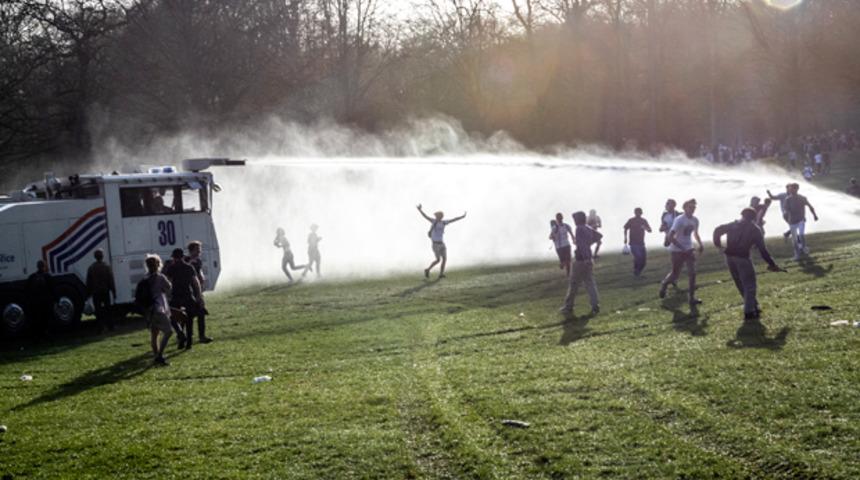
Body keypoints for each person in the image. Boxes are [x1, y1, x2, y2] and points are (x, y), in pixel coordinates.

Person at [713, 208, 785, 321]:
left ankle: (753, 305)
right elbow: (763, 250)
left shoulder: (733, 224)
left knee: (740, 284)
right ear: (754, 218)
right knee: (750, 285)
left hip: (729, 257)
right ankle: (749, 312)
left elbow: (717, 230)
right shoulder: (755, 229)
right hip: (743, 258)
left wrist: (719, 246)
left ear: (741, 214)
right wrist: (772, 264)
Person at [659, 199, 704, 308]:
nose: (692, 209)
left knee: (692, 274)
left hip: (689, 249)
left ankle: (692, 299)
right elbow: (670, 237)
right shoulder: (679, 220)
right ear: (684, 208)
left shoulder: (695, 220)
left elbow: (695, 234)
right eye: (690, 207)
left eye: (694, 208)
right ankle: (665, 283)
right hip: (676, 250)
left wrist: (700, 244)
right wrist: (682, 248)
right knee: (675, 274)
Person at [559, 211, 602, 317]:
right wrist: (589, 245)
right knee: (590, 282)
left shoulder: (579, 229)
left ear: (578, 220)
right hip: (588, 259)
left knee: (574, 283)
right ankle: (595, 305)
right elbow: (599, 236)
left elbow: (581, 245)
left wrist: (585, 253)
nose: (574, 221)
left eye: (575, 219)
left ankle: (568, 306)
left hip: (580, 260)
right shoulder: (587, 228)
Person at [163, 248, 203, 350]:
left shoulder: (171, 268)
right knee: (189, 319)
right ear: (182, 256)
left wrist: (167, 296)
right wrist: (198, 295)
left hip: (176, 296)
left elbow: (168, 283)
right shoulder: (189, 267)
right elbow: (196, 282)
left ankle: (180, 333)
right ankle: (189, 343)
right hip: (188, 295)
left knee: (171, 316)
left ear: (174, 257)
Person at [417, 204, 466, 279]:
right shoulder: (433, 221)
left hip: (442, 243)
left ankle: (441, 274)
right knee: (438, 260)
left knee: (444, 259)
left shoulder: (443, 222)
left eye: (440, 215)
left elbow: (453, 219)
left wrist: (462, 217)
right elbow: (425, 216)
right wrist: (420, 210)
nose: (439, 217)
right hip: (435, 244)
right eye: (438, 215)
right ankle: (427, 270)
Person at [143, 255, 173, 366]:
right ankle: (159, 356)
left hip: (149, 309)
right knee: (169, 331)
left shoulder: (145, 277)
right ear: (158, 264)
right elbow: (169, 287)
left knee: (154, 334)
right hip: (159, 307)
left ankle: (156, 356)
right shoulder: (160, 277)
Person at [784, 183, 819, 260]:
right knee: (794, 239)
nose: (790, 190)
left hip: (801, 220)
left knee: (801, 235)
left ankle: (804, 248)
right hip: (792, 221)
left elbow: (810, 207)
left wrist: (814, 215)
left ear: (797, 189)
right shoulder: (788, 199)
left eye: (792, 188)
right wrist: (787, 218)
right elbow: (786, 211)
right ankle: (797, 255)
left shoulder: (802, 198)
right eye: (790, 188)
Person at [186, 241, 212, 343]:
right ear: (192, 250)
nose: (199, 251)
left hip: (198, 290)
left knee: (200, 312)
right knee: (190, 314)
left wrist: (202, 280)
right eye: (198, 249)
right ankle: (190, 336)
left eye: (200, 249)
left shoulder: (198, 261)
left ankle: (201, 336)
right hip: (190, 291)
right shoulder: (186, 261)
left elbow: (199, 273)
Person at [86, 249, 116, 333]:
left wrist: (88, 293)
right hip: (105, 291)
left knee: (98, 311)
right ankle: (111, 326)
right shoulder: (106, 267)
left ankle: (100, 327)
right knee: (108, 310)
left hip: (96, 292)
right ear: (102, 256)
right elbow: (111, 280)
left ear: (95, 257)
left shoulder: (91, 268)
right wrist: (114, 292)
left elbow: (89, 282)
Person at [26, 260, 54, 335]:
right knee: (46, 319)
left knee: (37, 319)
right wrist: (56, 300)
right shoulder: (47, 276)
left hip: (35, 303)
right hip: (46, 303)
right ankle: (46, 334)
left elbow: (27, 289)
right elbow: (52, 289)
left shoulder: (32, 277)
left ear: (37, 266)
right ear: (44, 267)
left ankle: (37, 335)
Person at [623, 208, 652, 278]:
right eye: (636, 212)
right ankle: (636, 273)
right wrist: (625, 238)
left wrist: (645, 227)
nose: (638, 213)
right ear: (634, 213)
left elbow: (650, 230)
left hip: (641, 243)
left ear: (641, 213)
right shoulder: (631, 220)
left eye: (639, 212)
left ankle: (637, 272)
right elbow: (625, 228)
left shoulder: (643, 221)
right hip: (633, 243)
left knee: (644, 261)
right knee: (638, 257)